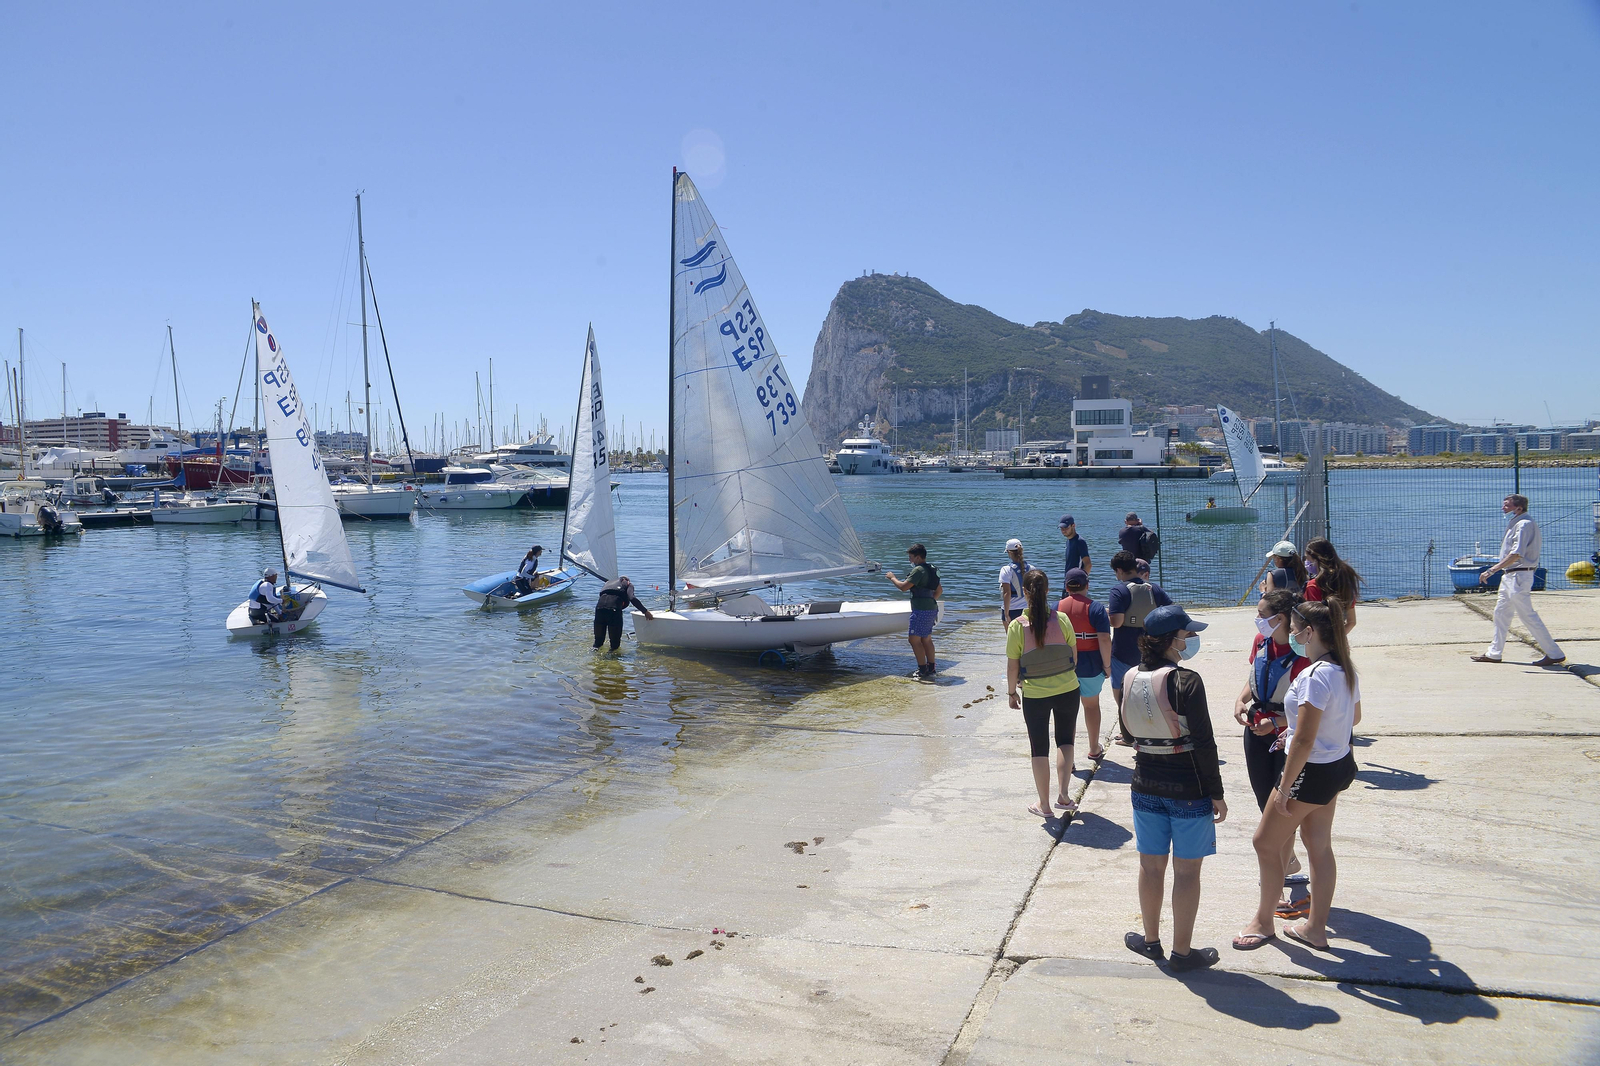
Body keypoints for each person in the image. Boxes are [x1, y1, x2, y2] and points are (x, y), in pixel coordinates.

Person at [1233, 600, 1360, 953]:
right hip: (1338, 765)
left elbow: (1303, 739)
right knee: (1318, 846)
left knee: (1265, 843)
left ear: (1310, 632)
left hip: (1312, 770)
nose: (1291, 632)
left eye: (1294, 626)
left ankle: (1263, 921)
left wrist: (1285, 787)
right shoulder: (1344, 669)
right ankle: (1315, 929)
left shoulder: (1315, 675)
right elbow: (1356, 718)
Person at [1120, 604, 1226, 972]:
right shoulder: (1188, 681)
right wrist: (1217, 792)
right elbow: (1205, 742)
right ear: (1172, 640)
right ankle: (1182, 953)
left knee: (1150, 868)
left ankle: (1150, 942)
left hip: (1144, 785)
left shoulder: (1130, 677)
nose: (1191, 639)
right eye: (1187, 633)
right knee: (1187, 873)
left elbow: (1129, 733)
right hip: (1189, 789)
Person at [1232, 588, 1312, 919]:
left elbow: (1304, 710)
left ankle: (1278, 884)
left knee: (1282, 809)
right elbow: (1253, 677)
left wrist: (1274, 722)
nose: (1258, 619)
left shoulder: (1301, 653)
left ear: (1279, 618)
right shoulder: (1260, 643)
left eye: (1262, 613)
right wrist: (1240, 702)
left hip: (1285, 736)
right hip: (1256, 732)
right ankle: (1289, 861)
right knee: (1264, 801)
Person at [1007, 570, 1081, 818]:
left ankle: (1044, 805)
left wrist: (1011, 693)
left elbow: (1012, 665)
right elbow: (1074, 657)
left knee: (1039, 747)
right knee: (1065, 741)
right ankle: (1064, 796)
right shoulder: (1061, 619)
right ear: (1048, 590)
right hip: (1068, 689)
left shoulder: (1017, 626)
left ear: (1025, 593)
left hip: (1035, 693)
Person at [1472, 494, 1566, 667]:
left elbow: (1516, 554)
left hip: (1519, 575)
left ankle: (1554, 653)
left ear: (1519, 507)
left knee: (1527, 615)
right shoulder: (1517, 522)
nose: (1503, 507)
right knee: (1500, 613)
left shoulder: (1524, 524)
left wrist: (1492, 570)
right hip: (1511, 576)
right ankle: (1494, 653)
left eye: (1507, 505)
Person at [1107, 550, 1174, 715]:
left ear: (1120, 571)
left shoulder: (1118, 591)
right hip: (1150, 649)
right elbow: (1171, 612)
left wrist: (1107, 614)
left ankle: (1127, 730)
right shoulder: (1154, 589)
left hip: (1123, 650)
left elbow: (1117, 622)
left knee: (1121, 690)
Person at [1059, 567, 1113, 761]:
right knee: (1090, 706)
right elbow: (1105, 639)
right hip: (1091, 664)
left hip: (1065, 666)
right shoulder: (1096, 608)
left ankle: (1068, 760)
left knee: (1067, 711)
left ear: (1066, 586)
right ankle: (1093, 748)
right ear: (1087, 586)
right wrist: (1107, 666)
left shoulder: (1057, 607)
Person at [886, 543, 941, 678]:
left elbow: (904, 587)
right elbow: (939, 590)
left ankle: (922, 670)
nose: (910, 560)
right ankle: (931, 668)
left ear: (917, 557)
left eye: (911, 557)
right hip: (931, 608)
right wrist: (929, 600)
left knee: (914, 640)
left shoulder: (918, 570)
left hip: (921, 610)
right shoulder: (931, 568)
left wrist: (892, 577)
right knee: (926, 638)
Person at [1302, 537, 1361, 631]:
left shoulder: (1313, 585)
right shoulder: (1345, 580)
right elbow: (1351, 622)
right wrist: (1337, 638)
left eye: (1308, 559)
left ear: (1316, 560)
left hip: (1317, 643)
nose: (1306, 563)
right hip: (1340, 642)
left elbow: (1313, 621)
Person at [593, 575, 653, 651]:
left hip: (599, 609)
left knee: (597, 643)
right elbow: (632, 598)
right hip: (613, 610)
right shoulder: (628, 584)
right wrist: (645, 611)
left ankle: (595, 659)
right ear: (627, 580)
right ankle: (612, 660)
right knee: (614, 645)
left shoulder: (608, 583)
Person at [998, 538, 1031, 627]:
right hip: (1028, 609)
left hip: (1012, 609)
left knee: (1011, 639)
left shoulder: (1006, 570)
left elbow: (1007, 593)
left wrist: (1006, 614)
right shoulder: (1032, 568)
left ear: (1009, 552)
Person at [1059, 515, 1091, 585]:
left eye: (1066, 527)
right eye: (1061, 528)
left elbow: (1088, 564)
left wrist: (1080, 582)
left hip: (1076, 585)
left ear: (1073, 526)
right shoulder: (1068, 541)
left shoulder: (1080, 541)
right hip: (1067, 582)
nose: (1063, 530)